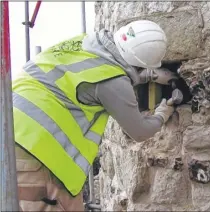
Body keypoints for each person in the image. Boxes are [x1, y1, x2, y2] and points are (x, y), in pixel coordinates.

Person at [13, 20, 178, 211]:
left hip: (10, 129)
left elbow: (98, 73)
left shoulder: (85, 43)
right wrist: (162, 114)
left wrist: (147, 75)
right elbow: (139, 131)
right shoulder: (113, 82)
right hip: (36, 150)